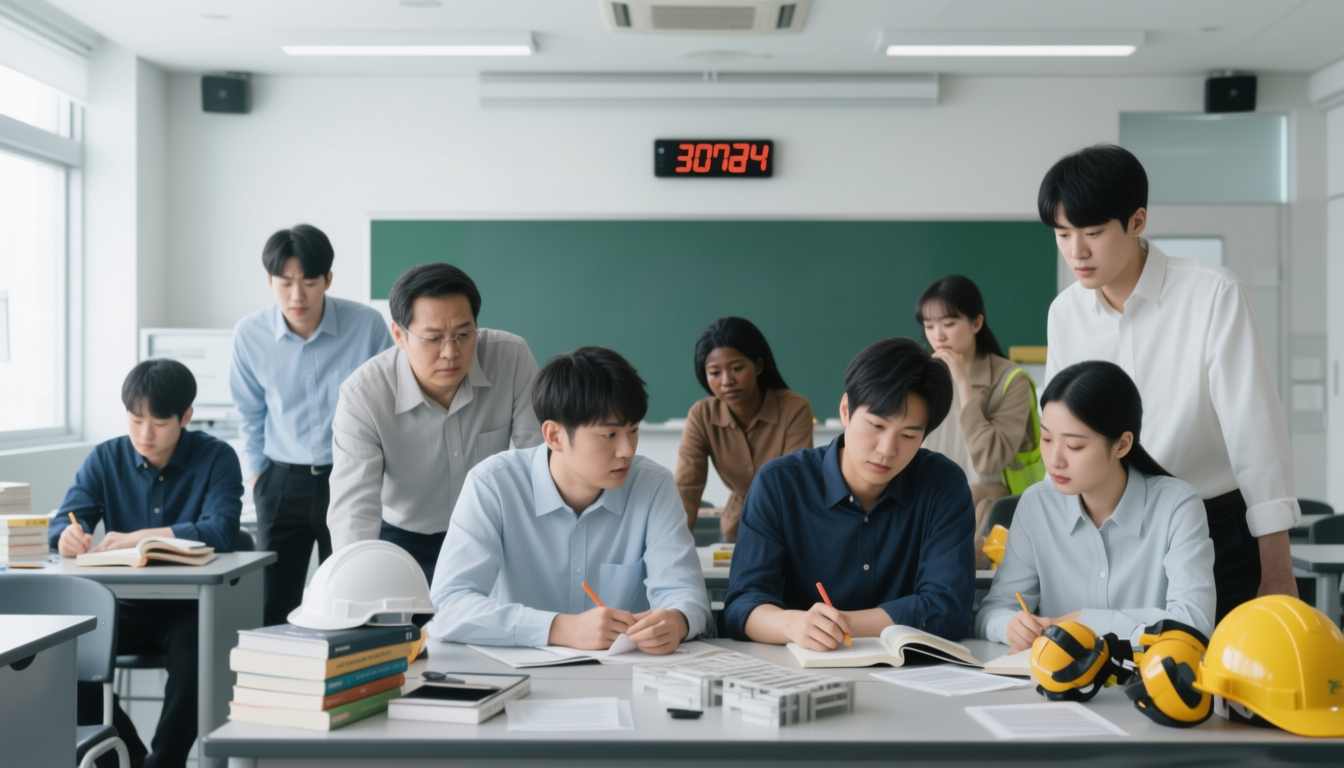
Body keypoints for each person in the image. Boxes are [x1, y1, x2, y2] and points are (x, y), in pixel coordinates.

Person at [1040, 143, 1299, 621]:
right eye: (1063, 234)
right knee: (1107, 684)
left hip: (1212, 524)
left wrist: (1278, 569)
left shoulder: (1213, 294)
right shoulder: (1066, 313)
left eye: (1093, 233)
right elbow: (1061, 430)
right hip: (1108, 530)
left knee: (1216, 684)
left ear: (1137, 221)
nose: (1076, 252)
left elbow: (1254, 432)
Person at [428, 347, 712, 651]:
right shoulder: (493, 485)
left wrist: (678, 620)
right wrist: (560, 628)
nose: (627, 450)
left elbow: (686, 594)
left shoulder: (653, 485)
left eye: (633, 431)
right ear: (554, 436)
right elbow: (448, 606)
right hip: (522, 680)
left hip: (624, 677)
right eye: (609, 435)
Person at [49, 360, 242, 768]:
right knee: (65, 660)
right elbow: (65, 520)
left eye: (159, 422)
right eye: (135, 420)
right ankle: (130, 759)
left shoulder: (217, 457)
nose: (144, 434)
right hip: (122, 608)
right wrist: (68, 536)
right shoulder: (106, 457)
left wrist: (143, 537)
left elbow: (222, 529)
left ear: (185, 417)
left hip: (189, 609)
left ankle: (166, 761)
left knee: (199, 658)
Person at [723, 337, 975, 648]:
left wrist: (840, 625)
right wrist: (794, 624)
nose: (887, 450)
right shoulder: (780, 484)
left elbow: (948, 609)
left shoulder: (943, 485)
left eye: (909, 435)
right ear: (846, 409)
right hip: (801, 670)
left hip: (909, 675)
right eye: (876, 426)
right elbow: (742, 604)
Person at [975, 361, 1216, 650]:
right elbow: (991, 611)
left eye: (1074, 446)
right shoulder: (1037, 506)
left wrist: (1085, 623)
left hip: (1149, 685)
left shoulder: (1177, 506)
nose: (1054, 460)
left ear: (1122, 445)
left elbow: (1193, 622)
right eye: (1047, 439)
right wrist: (1010, 626)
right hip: (1055, 687)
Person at [327, 262, 542, 581]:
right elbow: (354, 512)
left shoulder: (510, 358)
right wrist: (355, 586)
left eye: (463, 335)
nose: (451, 352)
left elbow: (540, 461)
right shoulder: (364, 395)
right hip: (404, 540)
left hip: (490, 533)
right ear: (399, 335)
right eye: (433, 338)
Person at [230, 224, 392, 627]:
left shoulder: (368, 326)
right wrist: (257, 475)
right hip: (281, 481)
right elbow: (249, 412)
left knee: (352, 593)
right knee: (275, 598)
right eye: (284, 283)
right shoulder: (249, 335)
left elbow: (390, 402)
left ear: (328, 280)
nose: (297, 295)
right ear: (270, 281)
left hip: (353, 475)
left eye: (309, 282)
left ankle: (349, 683)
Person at [917, 276, 1040, 555]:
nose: (938, 336)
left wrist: (963, 384)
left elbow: (989, 458)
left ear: (976, 323)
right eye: (929, 326)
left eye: (949, 324)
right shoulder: (920, 378)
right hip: (926, 509)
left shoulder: (1011, 380)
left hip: (991, 516)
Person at [674, 317, 814, 541]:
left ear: (758, 365)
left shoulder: (794, 407)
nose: (727, 380)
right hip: (737, 527)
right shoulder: (701, 415)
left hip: (789, 520)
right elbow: (686, 487)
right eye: (714, 373)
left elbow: (792, 481)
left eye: (737, 368)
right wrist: (672, 548)